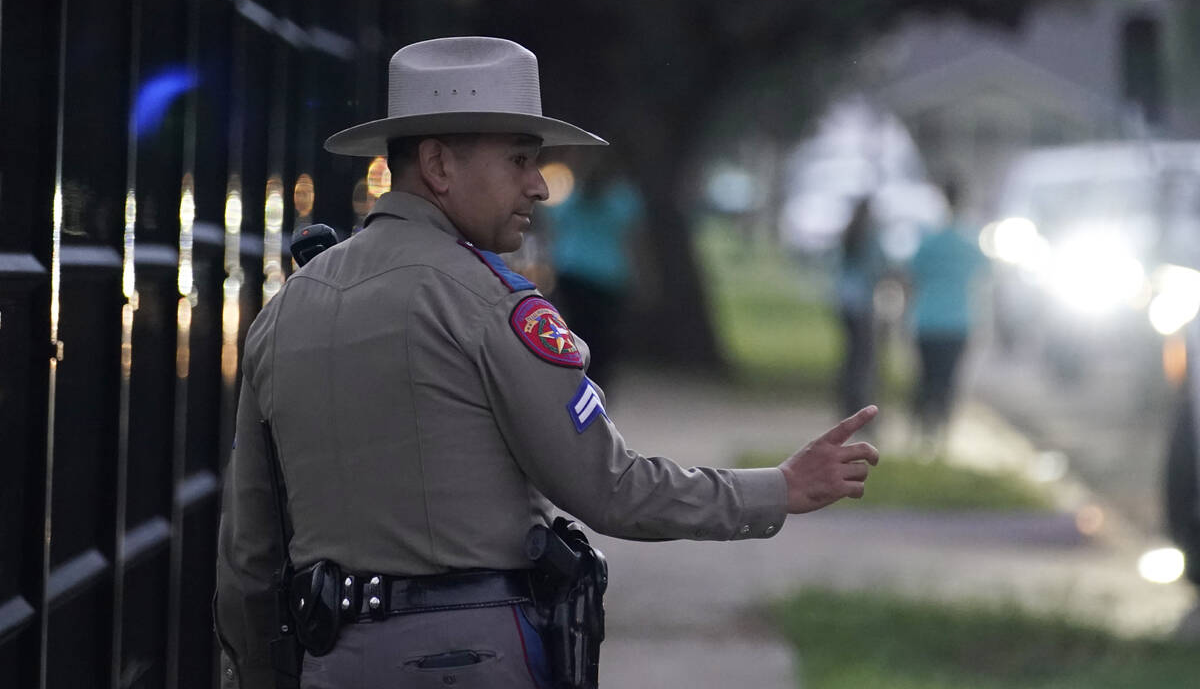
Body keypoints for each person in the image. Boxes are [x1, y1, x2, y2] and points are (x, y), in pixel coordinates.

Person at [214, 36, 880, 689]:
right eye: (518, 161)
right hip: (472, 658)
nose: (538, 186)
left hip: (330, 659)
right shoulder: (492, 305)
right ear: (439, 166)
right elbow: (609, 488)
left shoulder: (284, 312)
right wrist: (778, 489)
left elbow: (249, 558)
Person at [545, 159, 643, 389]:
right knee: (603, 337)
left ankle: (571, 379)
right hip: (607, 277)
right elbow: (633, 242)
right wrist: (640, 276)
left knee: (574, 331)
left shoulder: (572, 196)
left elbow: (555, 229)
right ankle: (597, 385)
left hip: (572, 271)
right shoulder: (624, 200)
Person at [906, 179, 989, 450]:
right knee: (948, 380)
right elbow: (985, 275)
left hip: (927, 320)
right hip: (957, 321)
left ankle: (922, 431)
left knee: (926, 377)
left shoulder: (928, 240)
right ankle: (941, 434)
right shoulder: (969, 243)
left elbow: (911, 274)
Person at [834, 197, 886, 418]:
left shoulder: (848, 234)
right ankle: (860, 405)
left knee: (850, 354)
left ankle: (845, 401)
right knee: (864, 358)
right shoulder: (870, 237)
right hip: (862, 303)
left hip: (844, 300)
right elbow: (878, 267)